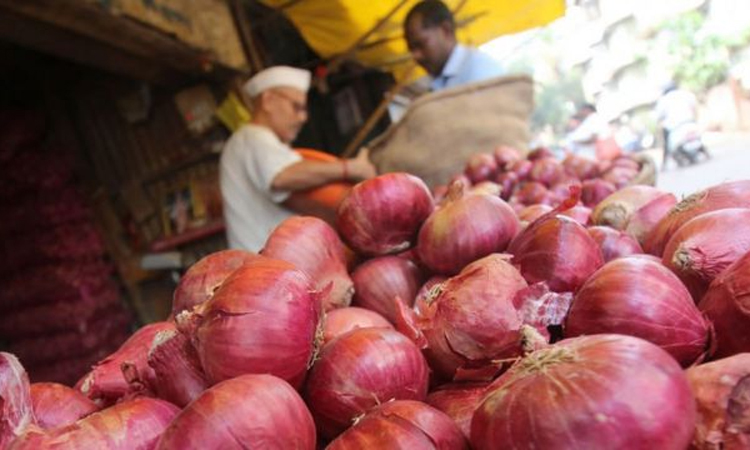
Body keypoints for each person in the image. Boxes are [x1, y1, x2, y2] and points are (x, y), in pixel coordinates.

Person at [220, 66, 377, 251]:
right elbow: (282, 177)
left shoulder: (256, 142)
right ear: (268, 100)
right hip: (262, 263)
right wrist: (352, 168)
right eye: (296, 107)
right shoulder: (254, 137)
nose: (303, 117)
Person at [404, 0, 504, 92]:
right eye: (411, 49)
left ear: (446, 30)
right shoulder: (440, 80)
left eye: (421, 44)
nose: (416, 55)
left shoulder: (479, 71)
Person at [655, 82, 699, 170]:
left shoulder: (663, 100)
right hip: (690, 123)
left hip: (676, 128)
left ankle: (666, 163)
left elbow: (658, 116)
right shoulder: (686, 94)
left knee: (669, 147)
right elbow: (694, 107)